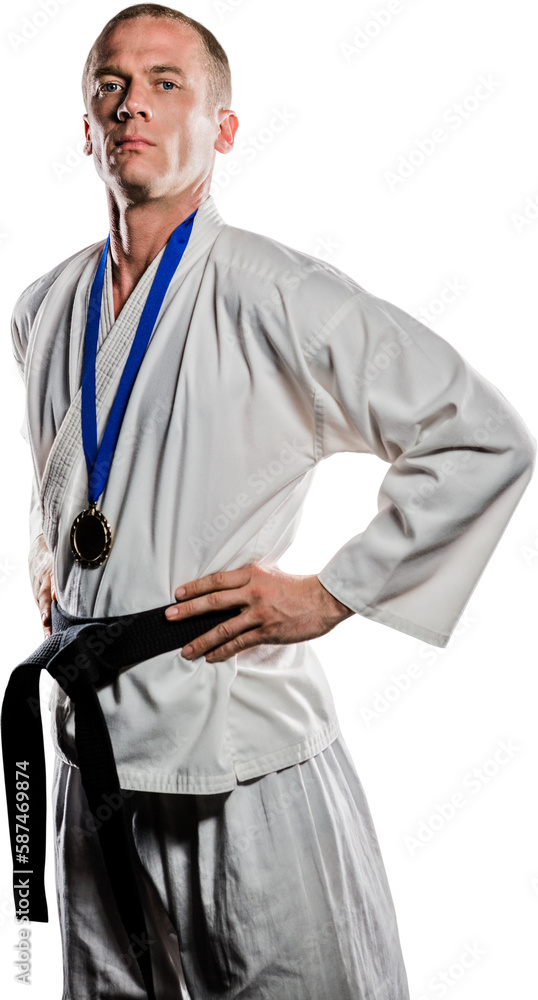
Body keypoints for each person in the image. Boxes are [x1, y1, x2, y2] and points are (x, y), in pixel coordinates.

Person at [8, 3, 535, 998]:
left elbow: (480, 434)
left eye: (168, 84)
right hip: (93, 758)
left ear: (224, 127)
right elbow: (69, 484)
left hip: (241, 755)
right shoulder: (43, 307)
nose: (134, 106)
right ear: (86, 127)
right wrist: (55, 574)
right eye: (110, 86)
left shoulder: (276, 293)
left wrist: (332, 591)